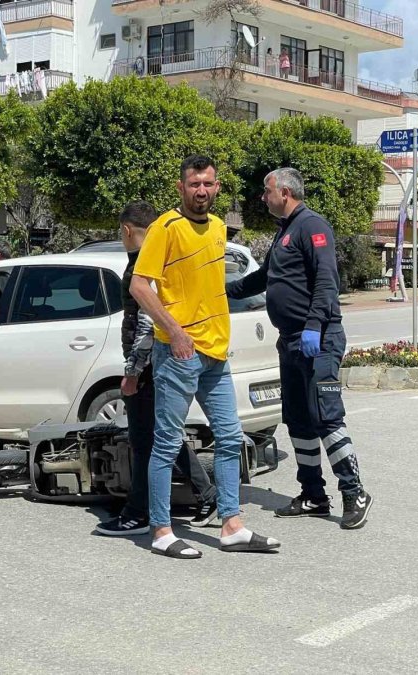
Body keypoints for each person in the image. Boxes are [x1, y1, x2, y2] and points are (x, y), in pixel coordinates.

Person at [130, 155, 281, 559]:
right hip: (180, 352)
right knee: (166, 443)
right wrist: (175, 332)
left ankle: (231, 526)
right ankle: (161, 531)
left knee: (231, 438)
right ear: (181, 188)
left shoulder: (217, 227)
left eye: (208, 184)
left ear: (217, 187)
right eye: (194, 184)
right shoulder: (166, 227)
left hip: (216, 352)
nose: (201, 191)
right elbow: (140, 286)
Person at [227, 168, 372, 530]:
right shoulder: (285, 231)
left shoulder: (312, 226)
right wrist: (222, 291)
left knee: (326, 417)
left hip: (317, 340)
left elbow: (326, 280)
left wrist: (313, 327)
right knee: (298, 419)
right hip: (290, 340)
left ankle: (355, 493)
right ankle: (313, 495)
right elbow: (264, 279)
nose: (263, 197)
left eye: (267, 191)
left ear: (286, 192)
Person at [96, 201, 219, 536]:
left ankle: (139, 513)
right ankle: (206, 496)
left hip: (150, 364)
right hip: (160, 360)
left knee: (143, 440)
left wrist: (133, 371)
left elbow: (145, 324)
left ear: (126, 230)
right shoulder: (162, 258)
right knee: (161, 436)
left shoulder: (142, 266)